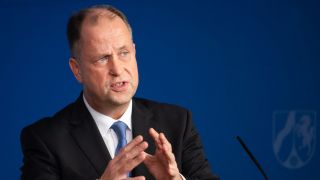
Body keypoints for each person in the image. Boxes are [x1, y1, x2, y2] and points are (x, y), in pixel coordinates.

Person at [20, 4, 219, 180]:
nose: (117, 69)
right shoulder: (45, 139)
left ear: (134, 52)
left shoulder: (178, 122)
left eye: (124, 53)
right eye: (102, 58)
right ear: (77, 70)